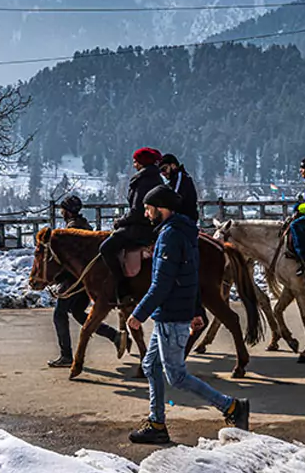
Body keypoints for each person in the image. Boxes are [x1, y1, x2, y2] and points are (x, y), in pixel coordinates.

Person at [126, 185, 250, 444]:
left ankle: (231, 407)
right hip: (173, 312)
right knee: (150, 365)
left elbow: (162, 283)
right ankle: (157, 424)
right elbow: (191, 274)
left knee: (177, 376)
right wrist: (196, 310)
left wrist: (138, 314)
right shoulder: (183, 232)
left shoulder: (170, 236)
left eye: (149, 209)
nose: (147, 214)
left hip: (171, 314)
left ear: (161, 208)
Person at [47, 195, 124, 367]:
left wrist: (58, 279)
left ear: (66, 211)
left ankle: (66, 356)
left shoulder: (72, 230)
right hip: (85, 280)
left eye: (62, 209)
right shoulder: (84, 225)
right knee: (79, 313)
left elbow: (70, 262)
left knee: (59, 314)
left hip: (75, 280)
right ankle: (114, 336)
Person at [99, 147, 165, 305]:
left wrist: (120, 221)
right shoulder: (155, 178)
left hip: (140, 227)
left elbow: (137, 211)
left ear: (142, 163)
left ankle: (122, 287)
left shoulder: (143, 181)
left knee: (106, 248)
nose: (134, 164)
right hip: (148, 225)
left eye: (136, 161)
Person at [159, 153, 199, 223]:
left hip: (184, 220)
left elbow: (176, 198)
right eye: (161, 171)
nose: (163, 173)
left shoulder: (182, 178)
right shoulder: (174, 180)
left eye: (164, 169)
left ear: (173, 166)